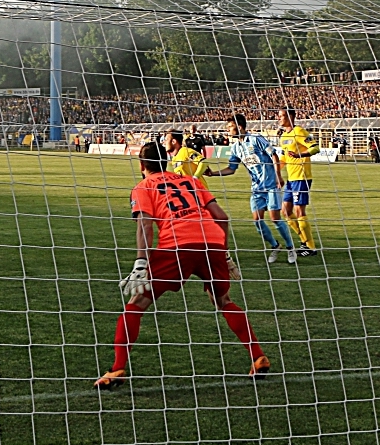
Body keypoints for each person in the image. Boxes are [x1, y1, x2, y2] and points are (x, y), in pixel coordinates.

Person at [95, 141, 269, 389]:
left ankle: (118, 368)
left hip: (177, 246)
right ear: (165, 161)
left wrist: (140, 263)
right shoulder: (192, 181)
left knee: (136, 304)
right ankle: (258, 356)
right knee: (223, 301)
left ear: (142, 164)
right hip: (211, 243)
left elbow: (145, 225)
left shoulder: (143, 186)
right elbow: (221, 217)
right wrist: (225, 255)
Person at [222, 114, 297, 263]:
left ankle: (290, 248)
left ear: (240, 127)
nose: (228, 130)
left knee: (275, 218)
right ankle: (275, 246)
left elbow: (274, 156)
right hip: (256, 189)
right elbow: (231, 169)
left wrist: (278, 176)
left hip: (271, 185)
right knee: (257, 220)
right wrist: (212, 173)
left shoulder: (256, 139)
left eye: (230, 127)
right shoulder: (236, 147)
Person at [277, 109, 318, 258]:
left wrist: (301, 154)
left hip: (302, 177)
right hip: (291, 178)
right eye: (279, 116)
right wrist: (274, 170)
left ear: (291, 117)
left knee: (300, 211)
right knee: (285, 212)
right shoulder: (283, 137)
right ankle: (304, 242)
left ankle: (311, 247)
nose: (279, 118)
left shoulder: (299, 131)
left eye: (282, 116)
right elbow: (284, 158)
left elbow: (315, 148)